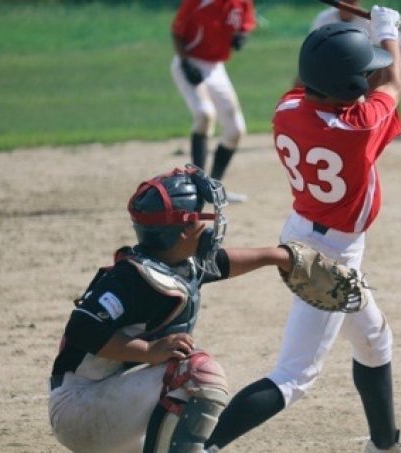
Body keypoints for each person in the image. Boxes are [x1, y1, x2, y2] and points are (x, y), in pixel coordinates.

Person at [204, 8, 401, 453]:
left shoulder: (287, 109)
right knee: (295, 375)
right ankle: (202, 447)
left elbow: (364, 87)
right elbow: (391, 86)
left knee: (374, 341)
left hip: (305, 232)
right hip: (330, 256)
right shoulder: (356, 128)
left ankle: (385, 445)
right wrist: (390, 37)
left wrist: (394, 51)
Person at [47, 165, 308, 452]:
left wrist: (277, 256)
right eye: (199, 218)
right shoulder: (131, 279)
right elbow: (81, 328)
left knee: (186, 373)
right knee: (196, 373)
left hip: (113, 401)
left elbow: (221, 263)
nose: (207, 227)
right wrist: (148, 350)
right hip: (80, 408)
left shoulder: (172, 263)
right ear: (182, 231)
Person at [170, 0, 257, 203]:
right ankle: (197, 186)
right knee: (204, 114)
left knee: (235, 130)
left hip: (216, 68)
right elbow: (176, 32)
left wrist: (241, 37)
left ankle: (212, 188)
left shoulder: (242, 2)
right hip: (191, 62)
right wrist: (185, 62)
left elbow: (244, 26)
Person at [294, 0, 401, 141]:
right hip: (331, 67)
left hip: (364, 65)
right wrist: (398, 46)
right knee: (385, 89)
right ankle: (305, 117)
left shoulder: (283, 109)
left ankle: (394, 125)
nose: (349, 4)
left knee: (380, 85)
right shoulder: (324, 18)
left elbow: (380, 52)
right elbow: (393, 84)